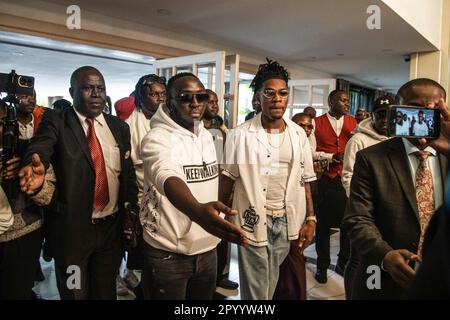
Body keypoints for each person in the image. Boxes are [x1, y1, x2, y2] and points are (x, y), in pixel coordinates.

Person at [19, 66, 138, 300]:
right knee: (75, 292)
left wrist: (132, 208)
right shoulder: (57, 121)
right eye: (87, 88)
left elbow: (128, 173)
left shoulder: (118, 127)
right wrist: (35, 163)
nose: (96, 94)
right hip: (72, 234)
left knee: (104, 293)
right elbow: (40, 147)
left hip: (110, 233)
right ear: (72, 91)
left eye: (100, 88)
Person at [139, 72, 246, 300]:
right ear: (170, 103)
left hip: (207, 248)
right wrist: (198, 212)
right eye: (186, 97)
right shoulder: (157, 138)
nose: (195, 103)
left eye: (201, 96)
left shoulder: (207, 136)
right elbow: (165, 173)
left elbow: (213, 177)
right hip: (168, 252)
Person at [342, 78, 447, 299]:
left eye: (433, 109)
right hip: (383, 275)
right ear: (398, 112)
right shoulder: (371, 158)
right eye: (414, 109)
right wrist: (385, 255)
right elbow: (357, 219)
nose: (422, 117)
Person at [220, 59, 316, 300]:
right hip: (252, 217)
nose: (277, 99)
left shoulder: (298, 134)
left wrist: (311, 217)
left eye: (283, 93)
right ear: (258, 97)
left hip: (287, 219)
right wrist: (218, 217)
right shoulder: (239, 135)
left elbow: (305, 180)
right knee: (257, 288)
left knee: (271, 280)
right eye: (269, 93)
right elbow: (228, 179)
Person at [119, 74, 166, 297]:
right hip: (140, 195)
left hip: (166, 195)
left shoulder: (170, 120)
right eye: (153, 94)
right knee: (142, 252)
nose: (159, 98)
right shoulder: (128, 127)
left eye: (162, 94)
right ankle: (137, 283)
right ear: (141, 96)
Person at [313, 90, 357, 283]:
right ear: (331, 101)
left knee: (347, 225)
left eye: (348, 100)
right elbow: (310, 151)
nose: (347, 103)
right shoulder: (316, 123)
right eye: (343, 100)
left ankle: (342, 262)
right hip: (325, 179)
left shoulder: (354, 123)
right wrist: (330, 157)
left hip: (346, 179)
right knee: (322, 226)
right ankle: (322, 266)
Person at [273, 112, 316, 300]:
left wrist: (310, 218)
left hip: (296, 217)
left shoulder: (305, 144)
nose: (305, 129)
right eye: (301, 125)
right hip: (275, 217)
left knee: (294, 278)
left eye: (309, 126)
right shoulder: (278, 143)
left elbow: (306, 182)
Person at [202, 89, 238, 291]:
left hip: (222, 190)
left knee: (223, 236)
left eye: (216, 101)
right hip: (202, 192)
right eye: (210, 101)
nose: (214, 105)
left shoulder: (223, 130)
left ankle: (220, 275)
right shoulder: (194, 130)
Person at [342, 95, 394, 197]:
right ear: (372, 116)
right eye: (380, 116)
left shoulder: (401, 139)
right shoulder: (358, 140)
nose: (385, 120)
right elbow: (348, 176)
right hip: (367, 200)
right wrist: (357, 203)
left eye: (389, 116)